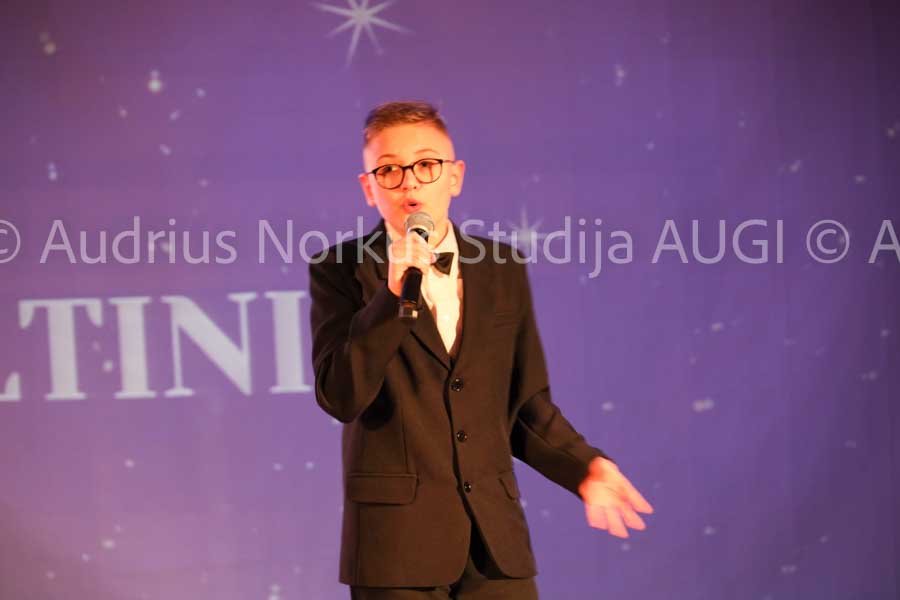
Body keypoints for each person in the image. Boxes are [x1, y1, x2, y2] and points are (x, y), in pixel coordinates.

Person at [308, 101, 654, 599]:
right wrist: (390, 297)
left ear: (455, 177)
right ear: (369, 188)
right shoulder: (340, 269)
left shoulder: (500, 268)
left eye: (426, 165)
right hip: (395, 549)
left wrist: (584, 467)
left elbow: (524, 404)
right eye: (389, 170)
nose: (409, 183)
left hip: (495, 544)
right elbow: (340, 395)